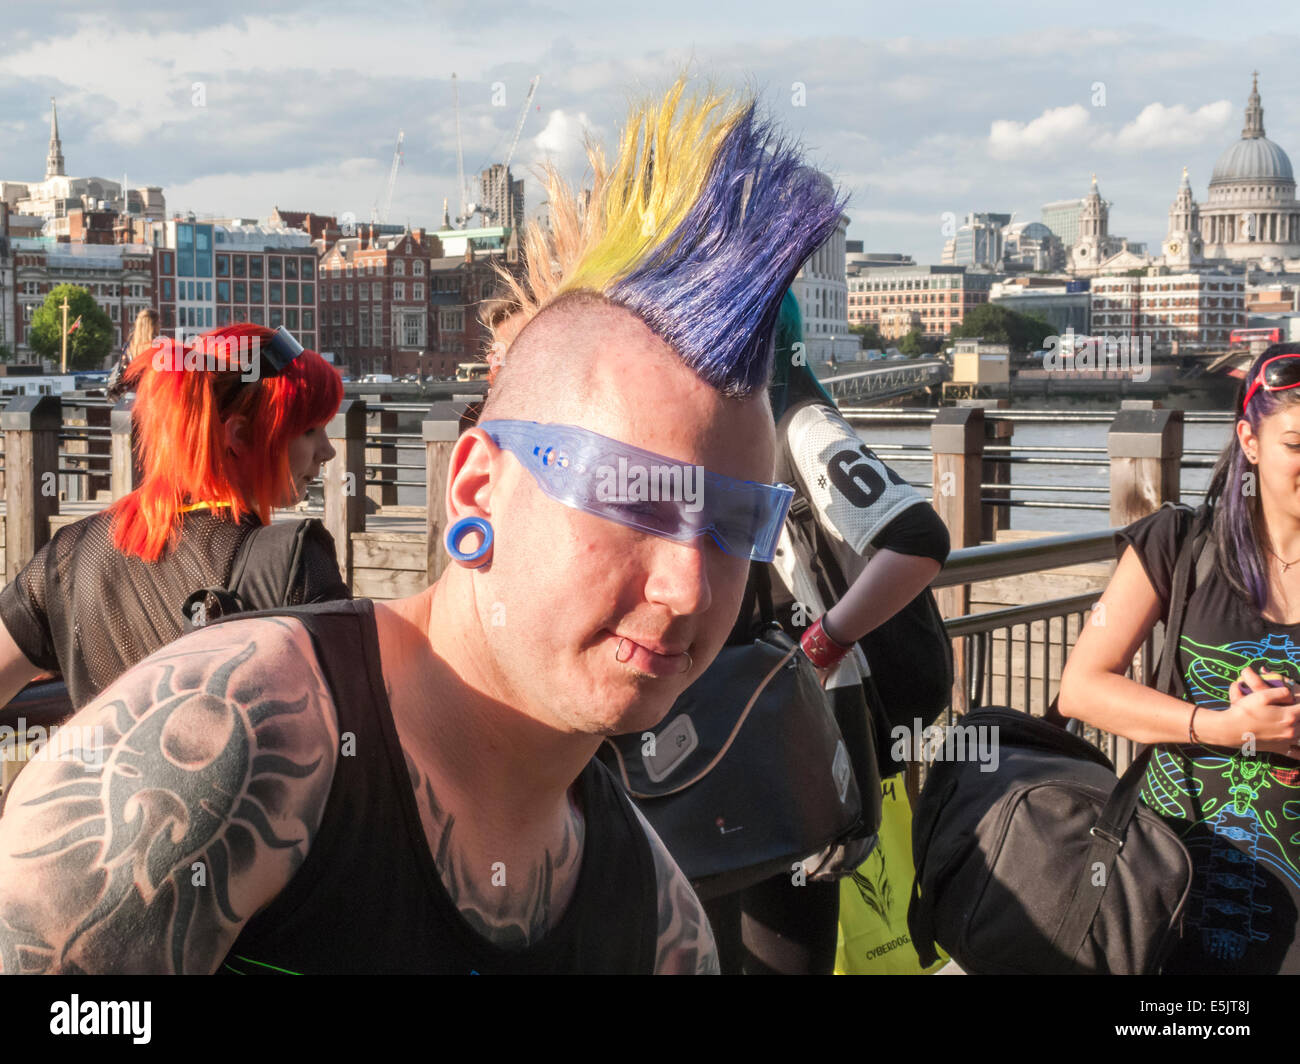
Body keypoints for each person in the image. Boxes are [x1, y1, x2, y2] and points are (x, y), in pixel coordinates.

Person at [0, 78, 846, 974]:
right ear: (477, 489)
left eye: (736, 523)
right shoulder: (227, 751)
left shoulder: (657, 922)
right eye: (633, 497)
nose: (690, 586)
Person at [701, 293, 950, 975]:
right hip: (730, 749)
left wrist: (824, 642)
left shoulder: (801, 423)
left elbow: (919, 536)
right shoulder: (729, 425)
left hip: (790, 749)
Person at [1060, 342, 1300, 974]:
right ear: (1250, 442)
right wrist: (1222, 727)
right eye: (1295, 445)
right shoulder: (1179, 543)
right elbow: (1082, 688)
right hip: (1175, 885)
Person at [0, 322, 347, 712]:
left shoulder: (69, 555)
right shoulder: (293, 564)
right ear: (241, 436)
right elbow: (355, 729)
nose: (327, 451)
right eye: (309, 430)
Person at [106, 308, 158, 400]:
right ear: (152, 325)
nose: (160, 326)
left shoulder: (130, 346)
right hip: (148, 397)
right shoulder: (155, 347)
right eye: (158, 323)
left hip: (130, 396)